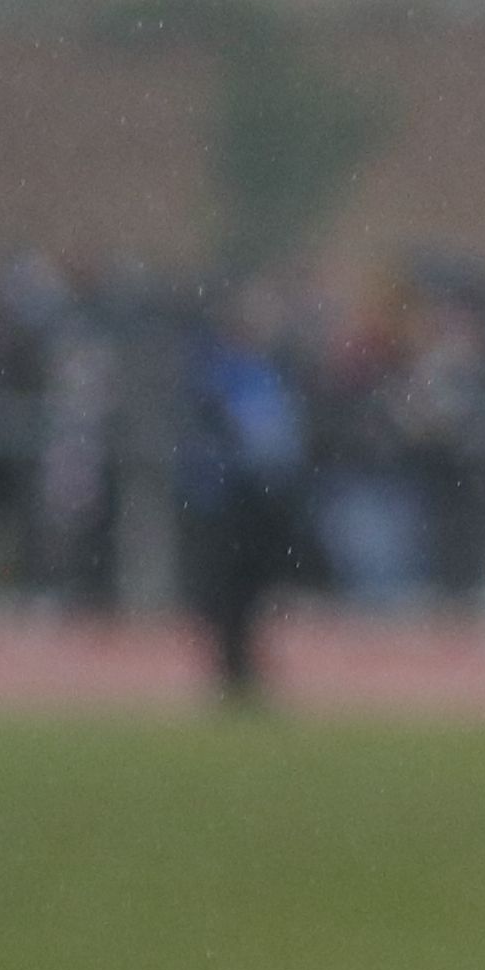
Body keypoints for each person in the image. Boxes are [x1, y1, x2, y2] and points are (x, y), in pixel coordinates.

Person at [178, 286, 310, 707]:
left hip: (258, 500)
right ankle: (231, 671)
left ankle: (244, 669)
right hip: (229, 499)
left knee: (251, 592)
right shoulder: (223, 373)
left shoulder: (261, 372)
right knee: (227, 591)